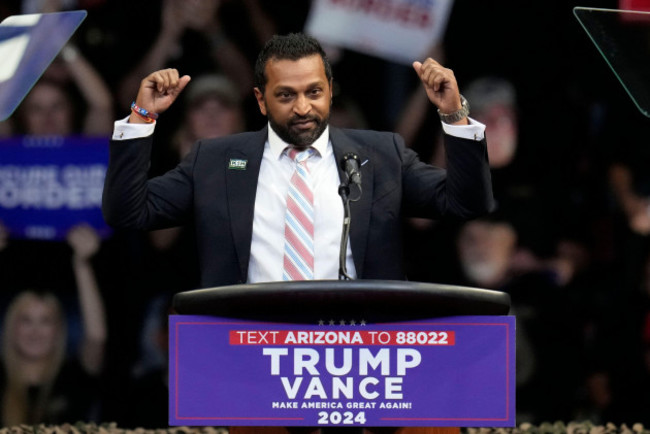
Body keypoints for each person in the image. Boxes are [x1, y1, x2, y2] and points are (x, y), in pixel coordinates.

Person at [102, 32, 493, 288]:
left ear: (329, 92)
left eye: (314, 92)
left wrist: (454, 114)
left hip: (359, 351)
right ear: (260, 100)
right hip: (249, 347)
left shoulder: (381, 155)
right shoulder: (215, 160)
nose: (303, 107)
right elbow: (128, 212)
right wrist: (142, 116)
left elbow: (467, 202)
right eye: (286, 95)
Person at [0, 224, 107, 426]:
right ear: (11, 327)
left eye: (46, 321)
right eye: (26, 320)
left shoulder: (74, 378)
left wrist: (82, 264)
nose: (35, 331)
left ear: (59, 329)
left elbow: (96, 337)